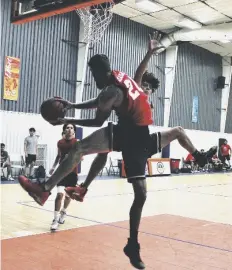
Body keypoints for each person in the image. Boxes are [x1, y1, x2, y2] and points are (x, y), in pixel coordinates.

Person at [18, 53, 216, 269]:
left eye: (93, 74)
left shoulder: (113, 90)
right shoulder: (118, 78)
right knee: (84, 149)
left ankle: (199, 158)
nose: (93, 79)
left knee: (146, 179)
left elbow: (97, 119)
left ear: (102, 72)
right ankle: (51, 188)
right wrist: (73, 105)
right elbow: (102, 99)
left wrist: (67, 118)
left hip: (135, 139)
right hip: (134, 133)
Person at [49, 125, 79, 231]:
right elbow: (58, 156)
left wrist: (73, 158)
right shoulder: (60, 143)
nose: (69, 129)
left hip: (72, 174)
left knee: (67, 197)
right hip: (61, 173)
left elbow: (80, 156)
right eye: (67, 128)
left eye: (71, 128)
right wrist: (53, 167)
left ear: (74, 131)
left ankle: (64, 211)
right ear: (64, 130)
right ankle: (55, 219)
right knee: (59, 195)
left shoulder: (77, 143)